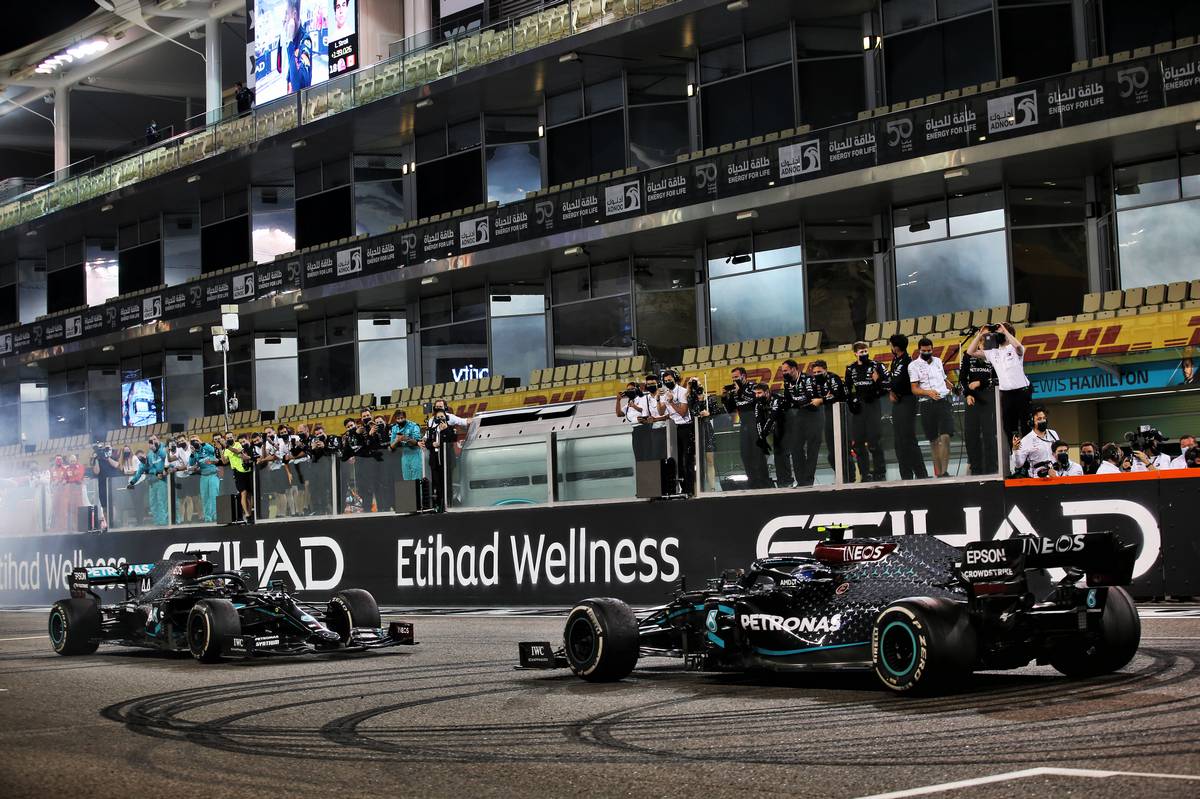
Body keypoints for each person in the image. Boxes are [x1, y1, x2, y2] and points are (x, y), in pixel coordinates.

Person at [966, 322, 1031, 440]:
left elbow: (1019, 348)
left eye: (1000, 333)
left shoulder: (1015, 348)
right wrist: (980, 334)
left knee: (1026, 423)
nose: (998, 335)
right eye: (997, 333)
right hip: (1006, 393)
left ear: (1008, 334)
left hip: (1022, 391)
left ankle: (1030, 455)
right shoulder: (993, 352)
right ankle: (1015, 453)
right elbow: (970, 352)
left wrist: (1005, 331)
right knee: (1009, 426)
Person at [909, 338, 954, 478]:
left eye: (929, 350)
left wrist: (950, 385)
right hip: (926, 403)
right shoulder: (913, 365)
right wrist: (928, 392)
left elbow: (943, 378)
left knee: (946, 436)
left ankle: (945, 471)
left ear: (932, 349)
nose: (927, 352)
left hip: (943, 401)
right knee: (933, 440)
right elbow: (914, 389)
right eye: (924, 351)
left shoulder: (938, 361)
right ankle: (939, 473)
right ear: (919, 350)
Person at [844, 342, 888, 482]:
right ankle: (865, 474)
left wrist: (876, 385)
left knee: (874, 440)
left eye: (865, 351)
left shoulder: (877, 365)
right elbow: (847, 388)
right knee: (858, 442)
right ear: (855, 353)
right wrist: (851, 401)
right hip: (858, 408)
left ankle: (880, 472)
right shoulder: (850, 368)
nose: (864, 354)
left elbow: (886, 385)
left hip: (873, 404)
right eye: (861, 352)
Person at [887, 334, 928, 480]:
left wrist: (883, 384)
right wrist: (891, 391)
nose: (890, 348)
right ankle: (906, 475)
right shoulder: (896, 360)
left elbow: (896, 382)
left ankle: (921, 474)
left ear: (896, 347)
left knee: (908, 439)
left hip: (907, 401)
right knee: (899, 441)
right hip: (898, 402)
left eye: (891, 345)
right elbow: (892, 382)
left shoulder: (906, 361)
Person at [722, 367, 769, 489]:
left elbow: (757, 401)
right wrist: (724, 397)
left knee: (758, 453)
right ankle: (752, 483)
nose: (734, 380)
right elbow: (730, 410)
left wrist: (741, 392)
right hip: (744, 425)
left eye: (736, 377)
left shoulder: (754, 387)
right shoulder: (734, 391)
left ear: (744, 376)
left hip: (756, 422)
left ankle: (764, 482)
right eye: (733, 378)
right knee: (745, 454)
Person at [959, 347, 999, 476]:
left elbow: (998, 378)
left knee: (989, 435)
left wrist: (980, 382)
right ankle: (975, 468)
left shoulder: (992, 357)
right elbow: (962, 379)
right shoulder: (967, 358)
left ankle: (992, 468)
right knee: (971, 435)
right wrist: (967, 394)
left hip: (989, 399)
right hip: (972, 400)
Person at [656, 369, 694, 493]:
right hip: (672, 428)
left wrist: (671, 401)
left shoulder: (683, 391)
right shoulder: (665, 393)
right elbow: (661, 412)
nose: (667, 382)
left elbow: (683, 412)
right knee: (676, 458)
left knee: (686, 459)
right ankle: (682, 488)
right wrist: (658, 399)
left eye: (670, 380)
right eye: (665, 381)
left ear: (675, 378)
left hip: (685, 427)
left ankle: (690, 488)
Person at [425, 401, 466, 511]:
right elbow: (427, 443)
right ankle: (438, 505)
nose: (440, 419)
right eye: (438, 417)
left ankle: (448, 504)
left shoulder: (450, 428)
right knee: (437, 484)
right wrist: (432, 444)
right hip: (435, 461)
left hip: (446, 461)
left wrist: (446, 429)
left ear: (446, 417)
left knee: (447, 484)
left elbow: (453, 439)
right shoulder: (431, 430)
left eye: (442, 416)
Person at [774, 359, 810, 487]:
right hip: (796, 420)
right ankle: (797, 481)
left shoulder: (807, 380)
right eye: (782, 371)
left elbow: (809, 398)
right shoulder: (787, 382)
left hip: (811, 417)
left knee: (803, 450)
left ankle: (805, 481)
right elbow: (789, 401)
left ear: (794, 369)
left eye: (785, 370)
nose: (783, 373)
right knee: (794, 449)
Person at [128, 435, 168, 526]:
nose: (152, 441)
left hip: (160, 481)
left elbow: (163, 456)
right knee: (153, 503)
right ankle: (157, 522)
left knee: (161, 502)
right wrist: (132, 482)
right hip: (151, 483)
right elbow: (142, 471)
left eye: (154, 439)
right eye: (150, 440)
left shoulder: (162, 448)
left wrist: (155, 449)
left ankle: (163, 523)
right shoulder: (148, 455)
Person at [1010, 406, 1060, 477]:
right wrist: (1015, 450)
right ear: (1032, 422)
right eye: (1039, 419)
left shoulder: (1053, 434)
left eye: (1044, 418)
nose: (1042, 421)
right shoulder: (1026, 440)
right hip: (1038, 479)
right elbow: (1018, 464)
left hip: (1056, 476)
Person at [222, 434, 254, 524]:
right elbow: (224, 461)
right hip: (237, 472)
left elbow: (238, 452)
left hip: (246, 470)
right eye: (227, 438)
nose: (229, 439)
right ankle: (247, 515)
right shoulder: (226, 449)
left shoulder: (238, 444)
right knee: (243, 493)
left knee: (249, 494)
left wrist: (227, 446)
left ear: (234, 437)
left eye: (230, 437)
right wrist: (222, 449)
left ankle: (250, 513)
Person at [188, 436, 220, 523]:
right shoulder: (195, 453)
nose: (195, 442)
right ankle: (207, 517)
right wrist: (192, 453)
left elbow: (213, 450)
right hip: (204, 477)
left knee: (214, 496)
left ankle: (216, 516)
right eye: (192, 441)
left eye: (196, 440)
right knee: (205, 497)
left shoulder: (206, 447)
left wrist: (202, 442)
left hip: (213, 475)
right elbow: (191, 463)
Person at [284, 0, 313, 94]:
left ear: (294, 14)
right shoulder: (294, 40)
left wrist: (289, 42)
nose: (283, 19)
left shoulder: (305, 41)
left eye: (286, 14)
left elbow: (299, 85)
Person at [390, 410, 424, 481]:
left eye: (402, 418)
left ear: (405, 417)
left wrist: (405, 438)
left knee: (417, 479)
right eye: (398, 419)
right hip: (404, 455)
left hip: (415, 455)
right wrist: (397, 440)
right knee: (407, 479)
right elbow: (391, 446)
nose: (400, 420)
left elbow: (417, 441)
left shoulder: (414, 426)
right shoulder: (394, 428)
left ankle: (418, 492)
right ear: (395, 419)